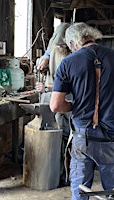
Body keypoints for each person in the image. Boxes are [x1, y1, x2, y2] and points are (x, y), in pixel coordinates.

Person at [50, 22, 114, 200]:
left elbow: (55, 105)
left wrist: (76, 106)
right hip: (111, 139)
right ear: (92, 36)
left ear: (73, 43)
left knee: (80, 191)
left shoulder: (67, 63)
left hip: (83, 139)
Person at [35, 22, 72, 187]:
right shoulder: (53, 47)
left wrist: (49, 87)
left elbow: (71, 84)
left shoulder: (72, 56)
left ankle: (65, 174)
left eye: (61, 46)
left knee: (65, 136)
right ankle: (53, 171)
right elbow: (48, 54)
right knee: (52, 134)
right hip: (51, 97)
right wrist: (43, 61)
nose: (59, 48)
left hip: (67, 99)